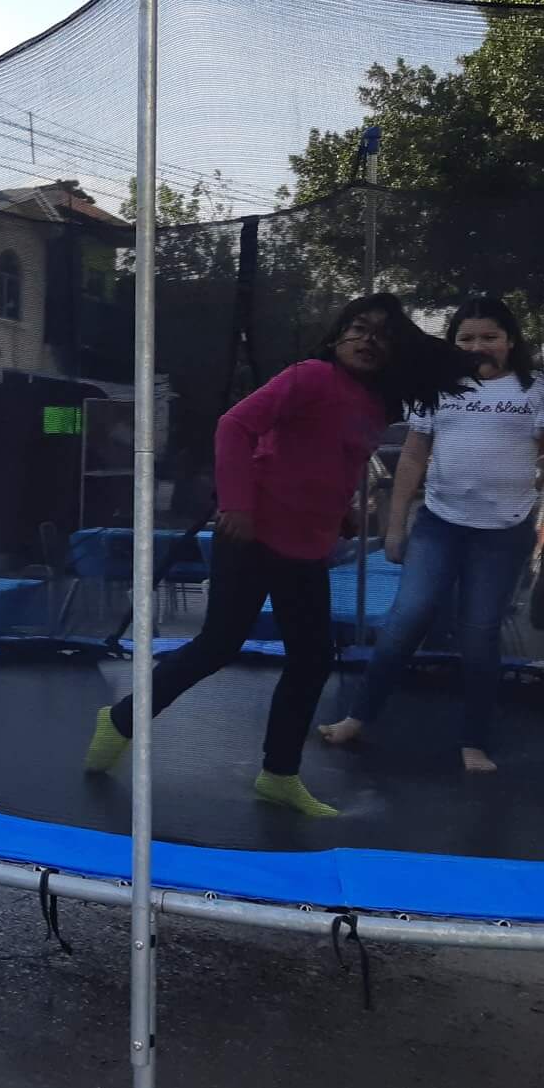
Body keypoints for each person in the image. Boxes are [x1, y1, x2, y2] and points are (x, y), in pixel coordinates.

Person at [84, 293, 471, 816]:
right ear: (336, 336)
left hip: (304, 545)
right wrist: (237, 505)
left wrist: (340, 513)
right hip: (252, 534)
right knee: (218, 644)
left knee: (312, 660)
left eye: (381, 334)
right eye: (357, 328)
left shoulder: (376, 405)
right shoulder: (311, 376)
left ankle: (279, 775)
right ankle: (120, 720)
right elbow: (234, 426)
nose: (366, 340)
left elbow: (326, 460)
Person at [319, 296, 544, 772]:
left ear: (510, 341)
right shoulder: (441, 387)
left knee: (479, 633)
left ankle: (474, 741)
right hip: (439, 524)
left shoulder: (536, 389)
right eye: (467, 338)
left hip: (503, 533)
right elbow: (413, 456)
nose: (478, 346)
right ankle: (358, 716)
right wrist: (395, 526)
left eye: (489, 337)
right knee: (405, 619)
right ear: (453, 344)